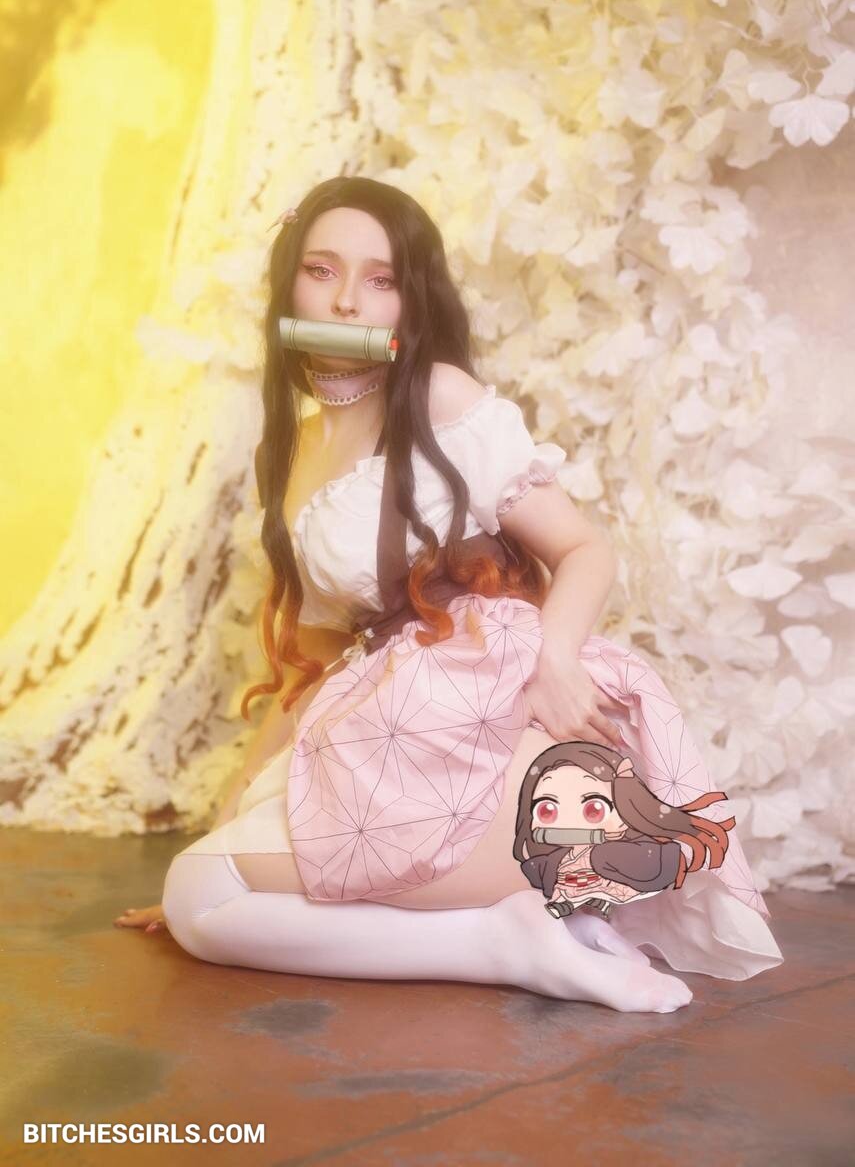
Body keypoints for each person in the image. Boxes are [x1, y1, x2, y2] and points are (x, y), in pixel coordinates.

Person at [115, 176, 783, 1012]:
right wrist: (227, 824)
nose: (348, 300)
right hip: (381, 720)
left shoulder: (440, 398)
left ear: (410, 299)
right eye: (321, 270)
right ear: (289, 284)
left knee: (199, 898)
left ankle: (513, 938)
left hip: (484, 717)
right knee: (197, 894)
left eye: (381, 279)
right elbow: (315, 663)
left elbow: (584, 549)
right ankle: (516, 935)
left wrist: (555, 661)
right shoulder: (290, 452)